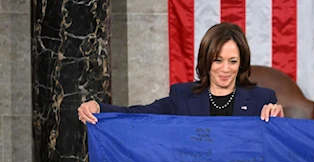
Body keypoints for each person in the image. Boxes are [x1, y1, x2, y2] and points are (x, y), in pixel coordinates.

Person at [77, 22, 283, 123]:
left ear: (242, 63)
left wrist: (279, 122)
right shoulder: (181, 96)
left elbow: (282, 149)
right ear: (206, 60)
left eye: (233, 61)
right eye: (217, 60)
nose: (225, 69)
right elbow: (139, 114)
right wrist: (99, 109)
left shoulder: (263, 99)